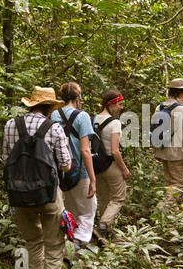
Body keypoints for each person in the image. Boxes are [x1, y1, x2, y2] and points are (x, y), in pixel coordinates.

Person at [3, 86, 71, 269]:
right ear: (49, 106)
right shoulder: (54, 128)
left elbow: (6, 161)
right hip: (49, 195)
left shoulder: (10, 125)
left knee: (33, 243)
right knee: (54, 246)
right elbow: (66, 166)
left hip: (19, 195)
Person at [51, 82, 96, 250]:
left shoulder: (54, 114)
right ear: (78, 97)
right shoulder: (82, 116)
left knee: (70, 210)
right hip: (80, 172)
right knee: (88, 210)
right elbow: (85, 150)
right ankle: (78, 244)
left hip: (61, 171)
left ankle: (69, 242)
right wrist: (93, 179)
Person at [93, 90, 130, 240]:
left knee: (104, 199)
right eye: (119, 104)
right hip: (111, 165)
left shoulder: (94, 119)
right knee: (118, 197)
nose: (121, 108)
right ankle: (102, 225)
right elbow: (115, 151)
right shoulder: (114, 122)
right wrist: (124, 168)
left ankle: (106, 233)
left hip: (97, 165)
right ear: (111, 104)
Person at [154, 78, 183, 209]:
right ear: (178, 92)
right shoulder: (180, 110)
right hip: (177, 154)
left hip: (163, 151)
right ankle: (161, 209)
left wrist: (156, 151)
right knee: (178, 184)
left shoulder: (159, 107)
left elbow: (154, 131)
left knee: (169, 183)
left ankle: (171, 215)